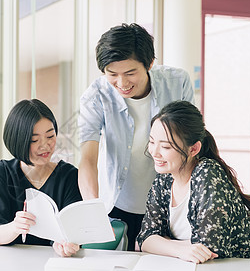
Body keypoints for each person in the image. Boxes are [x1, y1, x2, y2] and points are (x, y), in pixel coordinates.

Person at [78, 23, 194, 251]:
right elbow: (87, 160)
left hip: (169, 205)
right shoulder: (96, 96)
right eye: (112, 74)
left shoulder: (177, 82)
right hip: (118, 205)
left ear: (150, 64)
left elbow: (190, 145)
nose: (122, 83)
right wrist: (92, 208)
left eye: (130, 73)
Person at [137, 101, 250, 263]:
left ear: (193, 149)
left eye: (166, 147)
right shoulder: (164, 179)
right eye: (152, 142)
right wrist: (182, 250)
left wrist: (166, 243)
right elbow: (146, 238)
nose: (154, 152)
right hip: (187, 270)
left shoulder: (207, 174)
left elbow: (209, 249)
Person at [0, 99, 81, 257]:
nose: (45, 145)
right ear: (18, 140)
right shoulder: (1, 174)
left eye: (50, 136)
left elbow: (73, 230)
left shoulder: (69, 176)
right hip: (8, 265)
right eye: (35, 140)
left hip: (54, 265)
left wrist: (65, 244)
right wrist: (15, 227)